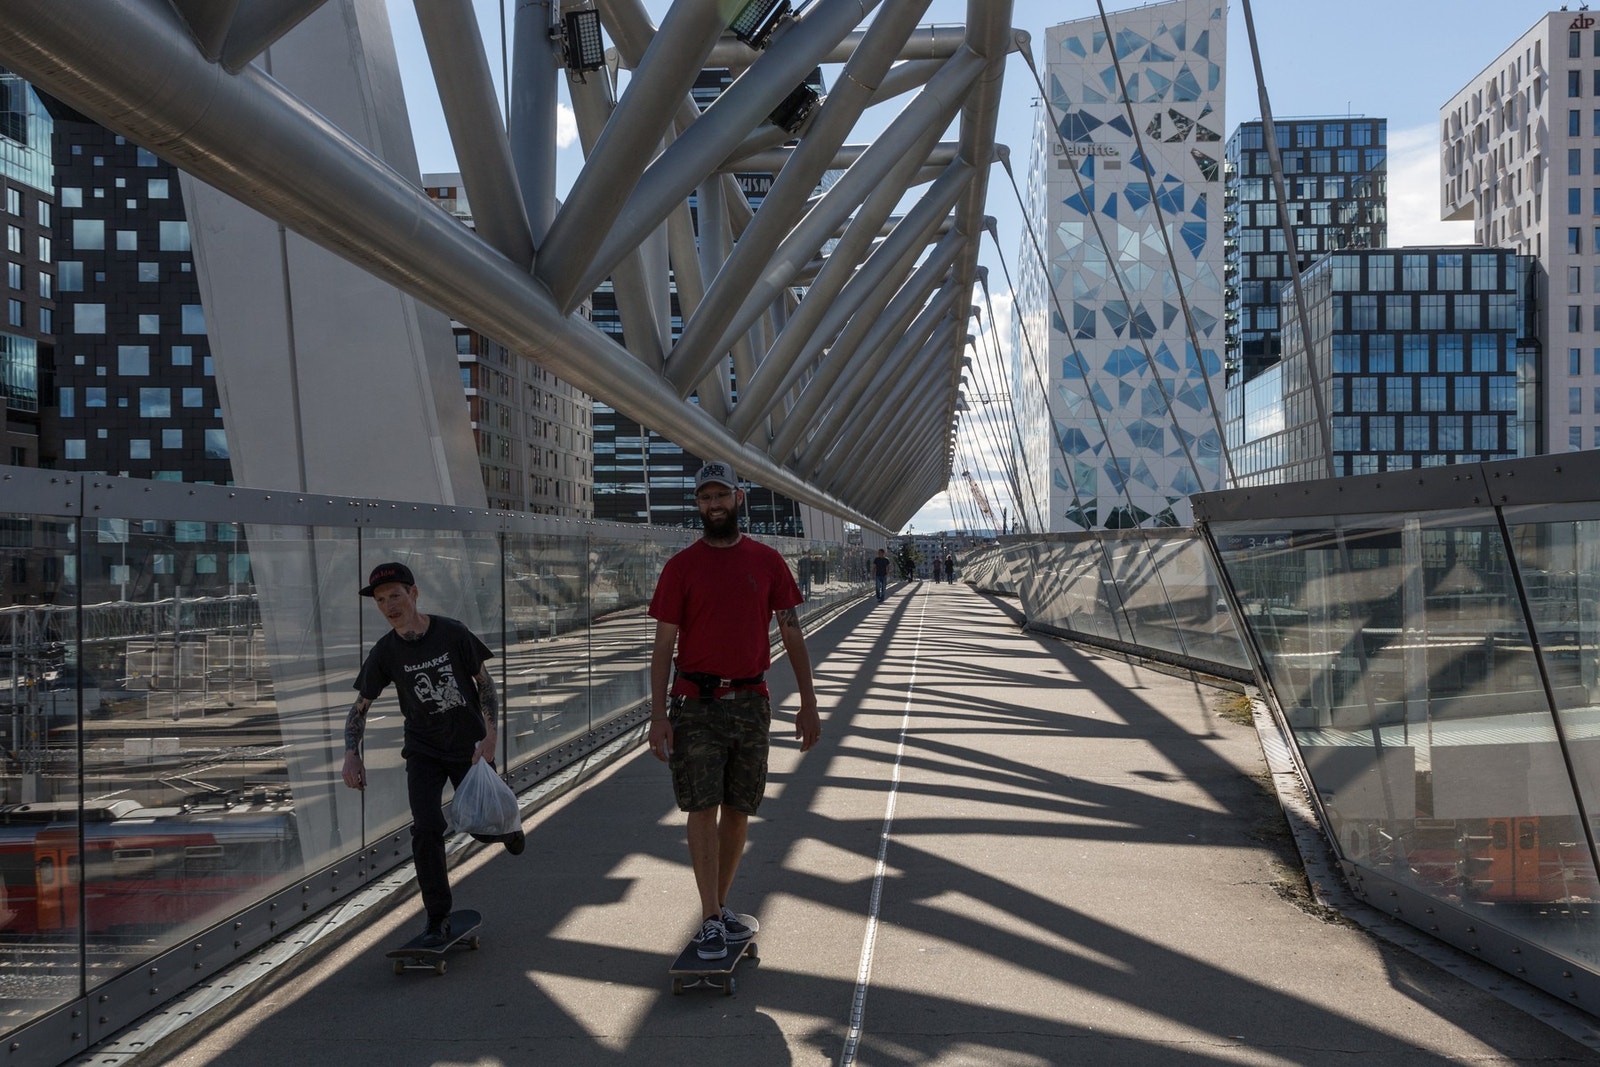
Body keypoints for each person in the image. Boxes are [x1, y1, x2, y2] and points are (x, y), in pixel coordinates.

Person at [647, 461, 821, 961]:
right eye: (705, 498)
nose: (713, 505)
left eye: (721, 495)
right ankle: (708, 918)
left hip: (751, 702)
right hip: (696, 705)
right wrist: (658, 715)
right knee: (701, 807)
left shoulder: (767, 562)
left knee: (739, 811)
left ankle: (718, 912)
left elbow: (791, 633)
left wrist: (809, 704)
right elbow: (663, 648)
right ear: (698, 504)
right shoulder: (680, 568)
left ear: (738, 499)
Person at [341, 561, 524, 949]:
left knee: (481, 824)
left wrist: (490, 736)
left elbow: (486, 687)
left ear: (414, 593)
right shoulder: (385, 652)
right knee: (426, 830)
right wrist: (351, 754)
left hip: (469, 748)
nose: (389, 605)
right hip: (423, 750)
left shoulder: (451, 633)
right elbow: (359, 708)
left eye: (395, 595)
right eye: (380, 600)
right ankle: (437, 918)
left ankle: (507, 829)